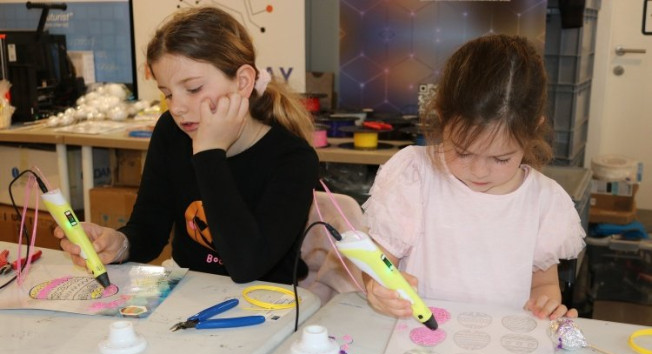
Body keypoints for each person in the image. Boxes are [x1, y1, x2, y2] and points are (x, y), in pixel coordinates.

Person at [54, 6, 319, 284]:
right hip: (188, 291)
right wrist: (120, 244)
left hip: (265, 299)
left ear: (243, 82)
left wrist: (209, 154)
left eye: (193, 89)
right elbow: (149, 230)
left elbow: (247, 265)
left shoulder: (293, 159)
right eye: (167, 94)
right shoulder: (171, 132)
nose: (177, 108)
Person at [362, 34, 585, 320]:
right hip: (419, 335)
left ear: (532, 131)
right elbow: (379, 265)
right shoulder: (415, 174)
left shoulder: (544, 200)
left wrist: (546, 304)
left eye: (501, 159)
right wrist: (378, 287)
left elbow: (544, 284)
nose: (479, 171)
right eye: (463, 153)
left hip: (500, 340)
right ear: (442, 119)